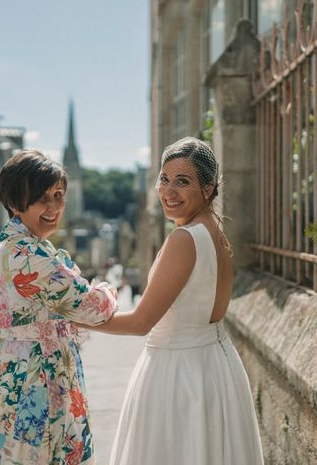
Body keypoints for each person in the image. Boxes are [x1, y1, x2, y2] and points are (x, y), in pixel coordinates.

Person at [79, 137, 264, 464]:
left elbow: (140, 323)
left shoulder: (184, 239)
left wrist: (69, 317)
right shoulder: (216, 234)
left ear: (208, 189)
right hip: (218, 370)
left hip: (178, 377)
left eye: (183, 182)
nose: (168, 191)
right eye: (164, 179)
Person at [0, 150, 118, 464]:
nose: (54, 207)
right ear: (16, 202)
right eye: (41, 198)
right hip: (35, 374)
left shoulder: (15, 244)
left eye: (58, 196)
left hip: (14, 365)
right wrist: (107, 289)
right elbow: (93, 306)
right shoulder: (28, 254)